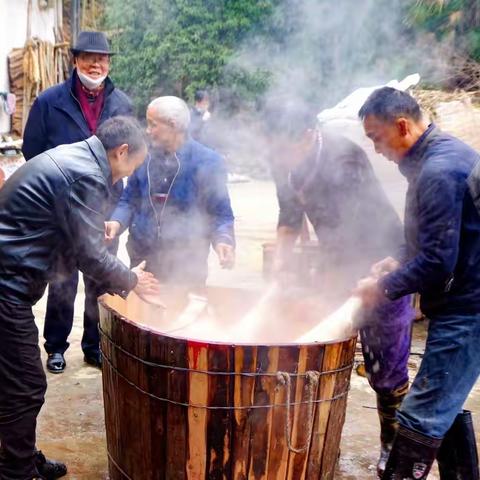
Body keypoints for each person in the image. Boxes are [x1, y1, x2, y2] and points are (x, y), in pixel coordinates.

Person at [0, 116, 160, 479]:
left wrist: (89, 232)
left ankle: (19, 455)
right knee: (26, 384)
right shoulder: (87, 174)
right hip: (5, 286)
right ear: (121, 152)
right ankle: (15, 471)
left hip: (9, 279)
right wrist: (132, 279)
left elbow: (67, 231)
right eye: (129, 169)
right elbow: (90, 257)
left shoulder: (77, 156)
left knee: (12, 381)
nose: (123, 179)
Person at [267, 104, 413, 477]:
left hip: (381, 259)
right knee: (320, 353)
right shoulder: (282, 161)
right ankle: (312, 437)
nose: (278, 154)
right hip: (334, 260)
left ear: (306, 135)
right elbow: (288, 218)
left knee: (386, 369)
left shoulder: (344, 156)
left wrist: (365, 281)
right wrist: (282, 266)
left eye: (284, 146)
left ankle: (392, 448)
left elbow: (359, 224)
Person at [356, 87, 480, 479]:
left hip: (469, 305)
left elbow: (438, 262)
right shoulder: (437, 158)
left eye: (376, 138)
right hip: (466, 298)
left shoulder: (439, 171)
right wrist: (398, 258)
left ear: (402, 125)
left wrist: (385, 286)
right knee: (443, 403)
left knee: (420, 417)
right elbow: (433, 239)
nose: (376, 150)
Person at [22, 30, 133, 373]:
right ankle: (56, 346)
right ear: (75, 60)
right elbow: (32, 152)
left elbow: (128, 155)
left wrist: (116, 212)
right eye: (88, 57)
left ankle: (94, 344)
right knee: (62, 280)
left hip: (104, 209)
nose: (96, 64)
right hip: (62, 211)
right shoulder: (49, 102)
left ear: (109, 63)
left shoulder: (122, 104)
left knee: (100, 282)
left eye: (102, 59)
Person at [105, 96, 235, 286]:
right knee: (145, 314)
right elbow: (129, 199)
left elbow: (220, 212)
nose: (147, 131)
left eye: (153, 124)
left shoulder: (208, 162)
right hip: (142, 258)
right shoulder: (143, 156)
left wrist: (224, 240)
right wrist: (116, 223)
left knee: (183, 314)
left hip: (188, 264)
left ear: (173, 125)